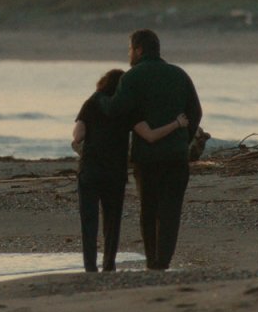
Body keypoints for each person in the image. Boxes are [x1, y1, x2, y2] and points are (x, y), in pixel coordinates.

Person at [99, 29, 202, 271]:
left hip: (147, 157)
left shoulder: (132, 77)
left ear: (139, 50)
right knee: (170, 211)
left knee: (149, 210)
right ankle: (163, 262)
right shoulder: (179, 75)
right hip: (176, 156)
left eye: (130, 49)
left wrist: (99, 99)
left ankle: (152, 260)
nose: (129, 54)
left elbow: (117, 110)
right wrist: (182, 139)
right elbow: (195, 112)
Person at [72, 69, 190, 273]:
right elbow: (150, 136)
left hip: (90, 170)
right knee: (112, 221)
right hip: (114, 173)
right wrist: (176, 124)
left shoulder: (92, 102)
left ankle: (90, 267)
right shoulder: (127, 108)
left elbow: (78, 135)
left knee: (89, 222)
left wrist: (82, 140)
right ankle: (109, 264)